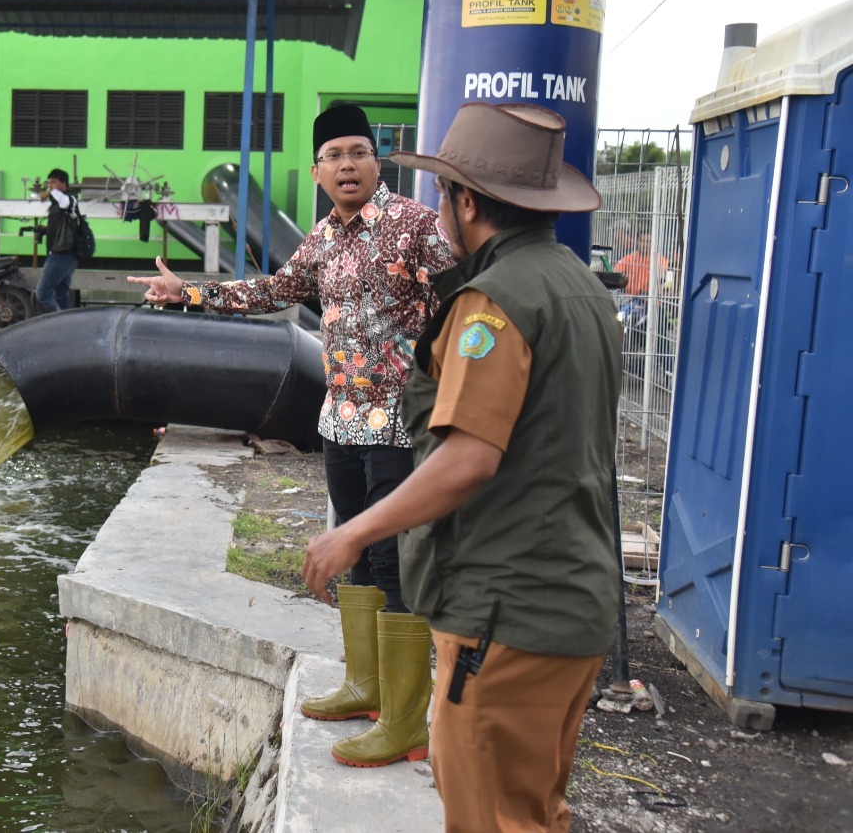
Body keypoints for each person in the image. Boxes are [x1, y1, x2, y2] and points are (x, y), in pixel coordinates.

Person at [301, 101, 622, 832]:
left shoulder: (494, 305)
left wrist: (352, 534)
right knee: (530, 807)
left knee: (487, 812)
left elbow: (469, 456)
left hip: (510, 608)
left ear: (468, 201)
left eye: (445, 189)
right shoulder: (577, 285)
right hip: (573, 599)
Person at [130, 103, 453, 764]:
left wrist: (442, 386)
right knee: (358, 555)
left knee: (391, 559)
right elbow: (274, 290)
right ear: (317, 170)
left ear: (377, 160)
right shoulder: (324, 239)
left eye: (358, 151)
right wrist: (188, 295)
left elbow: (460, 300)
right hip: (341, 421)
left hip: (400, 425)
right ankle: (365, 686)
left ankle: (406, 721)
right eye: (334, 155)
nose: (347, 165)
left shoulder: (416, 227)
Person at [36, 167, 80, 312]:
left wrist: (49, 192)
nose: (50, 185)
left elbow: (65, 203)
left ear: (64, 183)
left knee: (43, 293)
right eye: (49, 183)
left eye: (53, 182)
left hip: (63, 255)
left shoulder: (70, 199)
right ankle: (70, 326)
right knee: (61, 296)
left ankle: (55, 325)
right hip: (60, 254)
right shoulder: (56, 203)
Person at [615, 229, 667, 297]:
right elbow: (616, 271)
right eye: (642, 241)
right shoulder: (629, 258)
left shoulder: (660, 260)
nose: (645, 244)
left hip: (649, 299)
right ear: (637, 242)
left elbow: (664, 282)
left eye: (648, 241)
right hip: (629, 297)